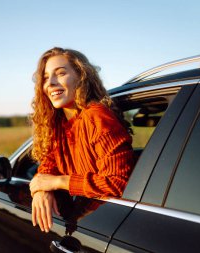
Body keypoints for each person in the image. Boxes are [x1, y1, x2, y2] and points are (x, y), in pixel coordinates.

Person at [29, 47, 135, 232]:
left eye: (60, 73)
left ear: (81, 76)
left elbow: (118, 183)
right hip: (80, 224)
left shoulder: (97, 117)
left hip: (107, 227)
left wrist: (57, 182)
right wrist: (41, 189)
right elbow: (49, 164)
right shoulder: (59, 125)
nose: (51, 83)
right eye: (45, 78)